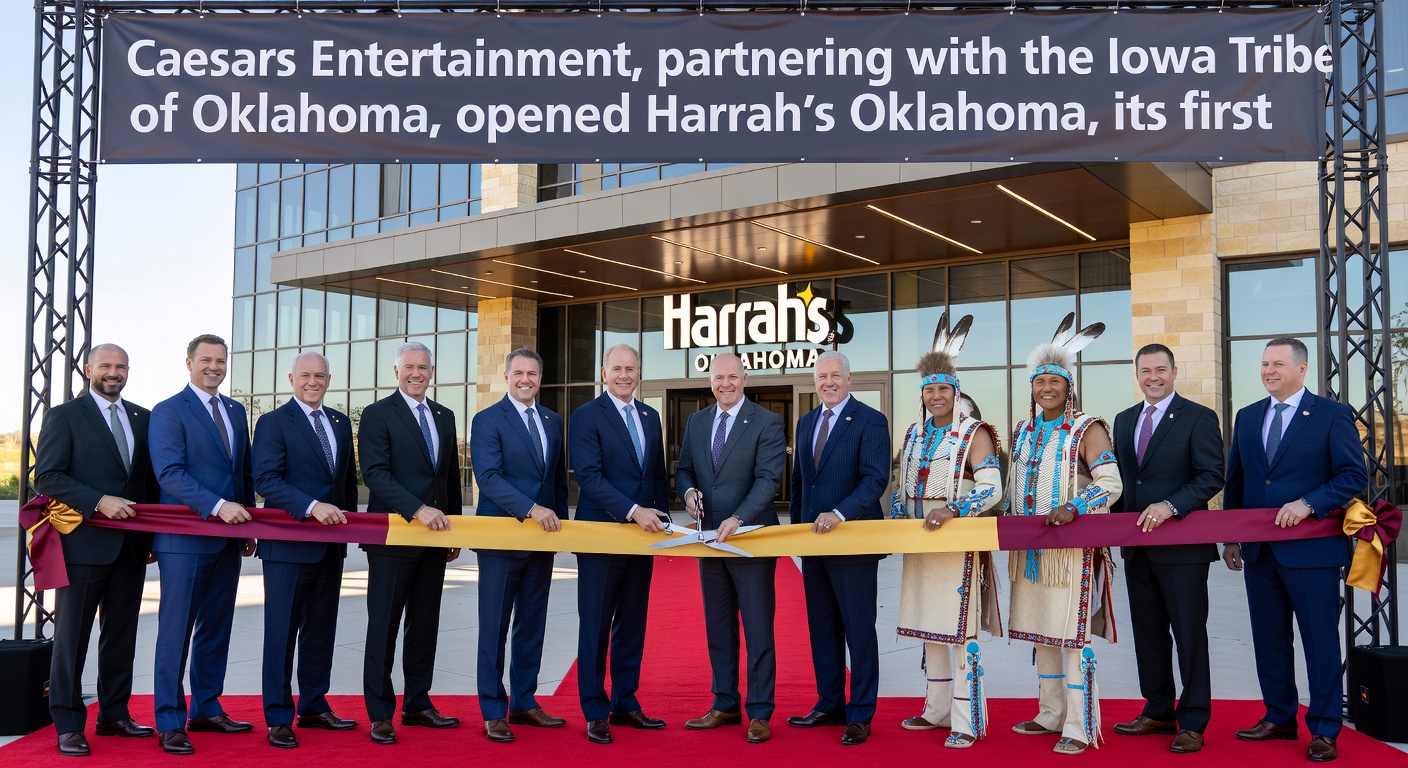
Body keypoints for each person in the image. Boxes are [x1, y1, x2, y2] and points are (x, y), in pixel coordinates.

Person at [1222, 337, 1366, 763]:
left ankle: (1324, 728)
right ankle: (1279, 716)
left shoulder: (1332, 414)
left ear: (1302, 369)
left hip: (1312, 552)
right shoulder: (1247, 417)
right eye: (1265, 364)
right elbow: (1239, 482)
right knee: (1269, 640)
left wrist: (1309, 503)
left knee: (1319, 641)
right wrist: (1232, 536)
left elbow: (1352, 475)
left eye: (1278, 364)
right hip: (1260, 552)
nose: (1269, 371)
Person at [34, 344, 158, 757]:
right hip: (83, 545)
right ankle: (68, 723)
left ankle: (114, 714)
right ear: (89, 369)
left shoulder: (143, 418)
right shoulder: (65, 415)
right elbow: (48, 477)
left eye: (121, 366)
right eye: (105, 365)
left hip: (131, 548)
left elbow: (149, 485)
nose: (114, 372)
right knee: (73, 639)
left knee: (121, 634)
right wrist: (97, 501)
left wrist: (153, 537)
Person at [1005, 313, 1121, 756]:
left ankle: (1080, 721)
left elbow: (1111, 484)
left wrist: (1075, 506)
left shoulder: (1087, 428)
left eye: (1054, 381)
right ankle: (1050, 712)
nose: (1046, 389)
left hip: (1072, 549)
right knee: (1042, 633)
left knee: (1072, 636)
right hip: (1030, 551)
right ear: (1032, 388)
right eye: (1039, 383)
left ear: (1067, 386)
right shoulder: (1023, 431)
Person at [892, 315, 1004, 749]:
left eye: (944, 389)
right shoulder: (914, 434)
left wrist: (954, 509)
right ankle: (936, 710)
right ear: (922, 395)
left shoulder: (974, 433)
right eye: (929, 390)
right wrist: (901, 514)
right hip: (920, 545)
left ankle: (967, 719)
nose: (936, 396)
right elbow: (902, 488)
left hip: (957, 545)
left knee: (959, 633)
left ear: (956, 393)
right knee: (929, 628)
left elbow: (993, 489)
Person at [1110, 344, 1224, 754]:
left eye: (1161, 369)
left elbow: (1213, 474)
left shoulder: (1198, 417)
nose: (1153, 377)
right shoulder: (1123, 421)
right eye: (1145, 370)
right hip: (1137, 548)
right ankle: (1158, 709)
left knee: (1189, 636)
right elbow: (1123, 485)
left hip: (1183, 550)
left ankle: (1193, 720)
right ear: (1136, 373)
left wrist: (1171, 505)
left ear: (1174, 372)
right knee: (1149, 634)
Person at [148, 334, 257, 755]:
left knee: (216, 629)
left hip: (228, 541)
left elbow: (241, 473)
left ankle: (207, 708)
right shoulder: (169, 411)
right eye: (206, 360)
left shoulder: (235, 410)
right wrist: (217, 507)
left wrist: (246, 522)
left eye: (221, 360)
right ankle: (170, 720)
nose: (214, 367)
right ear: (189, 362)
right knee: (175, 633)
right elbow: (170, 473)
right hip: (186, 541)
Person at [675, 353, 787, 745]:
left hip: (750, 538)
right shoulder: (697, 421)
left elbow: (768, 478)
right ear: (710, 382)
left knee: (757, 628)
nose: (726, 383)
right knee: (718, 627)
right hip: (709, 541)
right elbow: (685, 468)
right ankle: (724, 703)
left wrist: (739, 518)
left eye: (733, 377)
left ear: (745, 378)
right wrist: (688, 492)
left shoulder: (767, 421)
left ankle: (759, 712)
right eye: (719, 377)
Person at [252, 351, 360, 749]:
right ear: (291, 378)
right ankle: (279, 716)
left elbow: (346, 482)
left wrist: (347, 525)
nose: (313, 382)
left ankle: (314, 705)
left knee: (320, 633)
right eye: (305, 376)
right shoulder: (273, 422)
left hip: (330, 550)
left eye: (320, 376)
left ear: (328, 379)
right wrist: (313, 508)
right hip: (287, 548)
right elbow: (266, 479)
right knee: (280, 635)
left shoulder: (339, 422)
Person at [357, 341, 463, 745]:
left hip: (436, 540)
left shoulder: (444, 415)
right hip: (393, 539)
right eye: (409, 367)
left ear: (431, 371)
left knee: (424, 627)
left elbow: (449, 476)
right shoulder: (377, 414)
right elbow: (375, 473)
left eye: (423, 367)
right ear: (396, 371)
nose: (416, 373)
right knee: (383, 626)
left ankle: (418, 703)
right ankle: (380, 712)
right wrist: (418, 510)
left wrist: (455, 529)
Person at [568, 343, 671, 745]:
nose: (624, 375)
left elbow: (656, 477)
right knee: (594, 626)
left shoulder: (650, 416)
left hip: (643, 540)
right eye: (617, 368)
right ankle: (595, 710)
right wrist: (633, 511)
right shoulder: (586, 416)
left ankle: (625, 703)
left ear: (638, 372)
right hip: (601, 537)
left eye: (631, 368)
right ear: (603, 372)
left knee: (632, 624)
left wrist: (660, 515)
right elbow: (589, 477)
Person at [788, 351, 890, 746]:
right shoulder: (806, 422)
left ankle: (860, 713)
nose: (827, 382)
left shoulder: (870, 420)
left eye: (834, 375)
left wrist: (839, 513)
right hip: (813, 546)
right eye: (821, 376)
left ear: (849, 378)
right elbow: (800, 484)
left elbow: (874, 480)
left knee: (859, 630)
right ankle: (830, 703)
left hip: (853, 544)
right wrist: (798, 531)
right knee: (823, 630)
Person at [469, 347, 569, 743]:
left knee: (532, 626)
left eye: (532, 373)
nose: (525, 379)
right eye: (519, 373)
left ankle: (525, 702)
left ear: (540, 378)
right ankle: (493, 710)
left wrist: (559, 524)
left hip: (542, 542)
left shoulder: (552, 421)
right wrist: (532, 509)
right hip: (501, 541)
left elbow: (557, 481)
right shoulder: (487, 420)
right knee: (493, 629)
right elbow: (489, 477)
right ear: (507, 377)